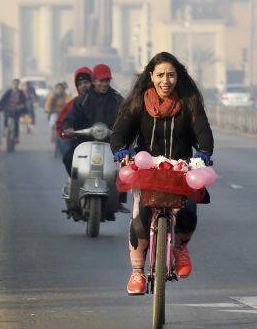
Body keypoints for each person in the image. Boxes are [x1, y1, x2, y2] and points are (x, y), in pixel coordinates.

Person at [110, 52, 214, 295]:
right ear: (151, 76)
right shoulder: (138, 102)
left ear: (178, 77)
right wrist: (121, 150)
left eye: (171, 75)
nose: (165, 80)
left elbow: (204, 133)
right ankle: (137, 272)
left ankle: (181, 248)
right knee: (141, 220)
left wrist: (205, 152)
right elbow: (119, 133)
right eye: (160, 75)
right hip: (147, 169)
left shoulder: (189, 103)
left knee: (188, 210)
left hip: (181, 169)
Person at [62, 64, 122, 173]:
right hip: (84, 142)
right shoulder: (83, 99)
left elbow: (126, 118)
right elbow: (71, 116)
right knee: (68, 158)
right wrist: (68, 127)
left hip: (111, 143)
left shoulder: (117, 99)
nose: (104, 84)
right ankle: (74, 186)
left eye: (107, 80)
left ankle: (119, 190)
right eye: (101, 80)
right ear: (94, 81)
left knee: (124, 167)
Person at [55, 67, 93, 169]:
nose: (83, 86)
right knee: (68, 157)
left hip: (102, 141)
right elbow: (61, 123)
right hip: (78, 141)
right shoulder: (73, 104)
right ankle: (74, 180)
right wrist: (68, 131)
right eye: (80, 84)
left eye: (86, 82)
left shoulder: (104, 100)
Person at [0, 79, 28, 144]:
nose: (15, 85)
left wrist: (21, 106)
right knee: (5, 119)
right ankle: (5, 130)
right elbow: (3, 99)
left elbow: (24, 102)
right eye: (14, 84)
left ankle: (16, 137)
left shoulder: (20, 93)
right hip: (8, 109)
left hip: (16, 110)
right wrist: (0, 106)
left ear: (18, 85)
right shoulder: (8, 92)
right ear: (12, 84)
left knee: (16, 123)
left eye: (16, 84)